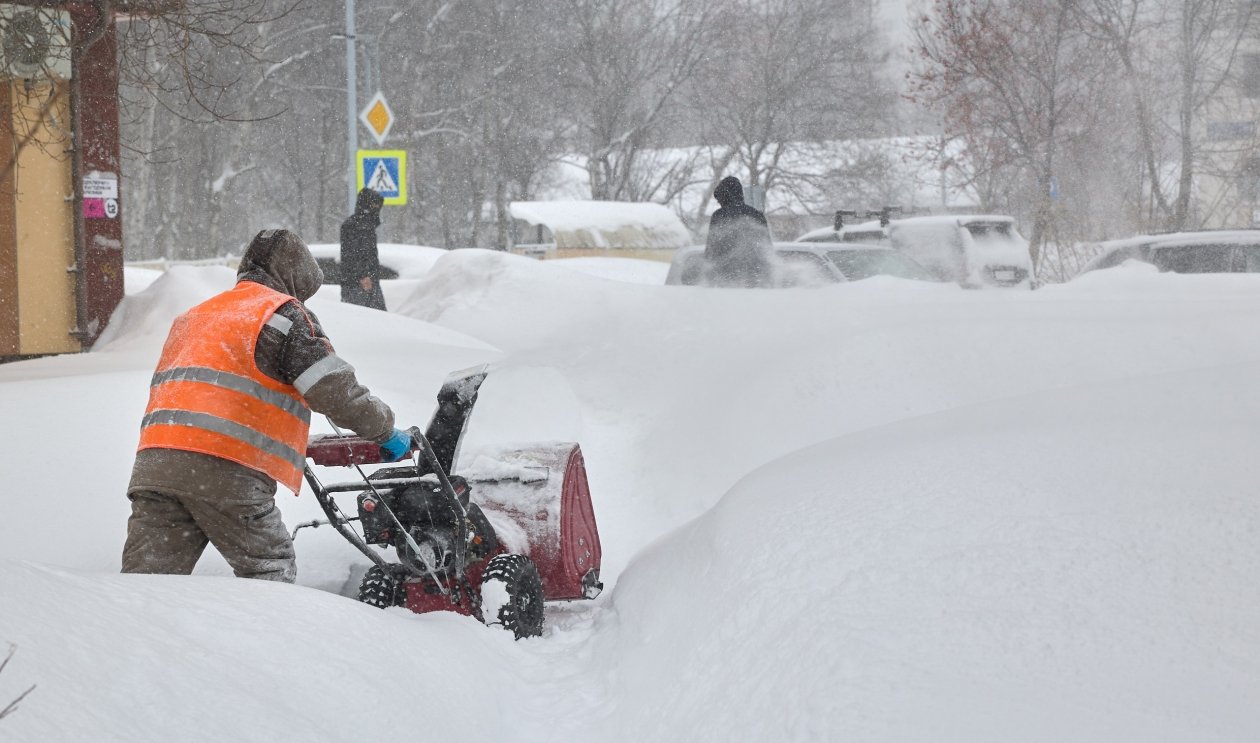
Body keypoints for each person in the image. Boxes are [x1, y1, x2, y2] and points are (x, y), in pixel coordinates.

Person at [121, 228, 412, 583]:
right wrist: (384, 428)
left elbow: (215, 393)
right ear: (296, 278)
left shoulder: (196, 316)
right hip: (225, 468)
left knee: (146, 582)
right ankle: (269, 638)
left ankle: (135, 638)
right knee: (269, 571)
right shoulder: (282, 315)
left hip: (156, 465)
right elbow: (333, 389)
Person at [703, 175, 774, 288]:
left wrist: (707, 276)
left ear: (724, 196)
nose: (719, 204)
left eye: (719, 200)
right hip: (755, 280)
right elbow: (767, 249)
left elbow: (711, 251)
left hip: (726, 280)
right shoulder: (757, 215)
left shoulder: (719, 215)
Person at [340, 187, 388, 310]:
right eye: (374, 204)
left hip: (366, 281)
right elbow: (352, 253)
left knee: (376, 319)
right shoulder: (355, 226)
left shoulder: (365, 225)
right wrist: (363, 275)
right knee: (368, 319)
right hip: (359, 284)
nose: (377, 208)